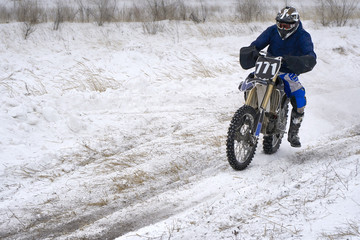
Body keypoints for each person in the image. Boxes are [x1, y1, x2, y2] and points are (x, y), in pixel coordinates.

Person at [240, 6, 317, 148]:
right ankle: (249, 112)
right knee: (249, 83)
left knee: (300, 96)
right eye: (280, 24)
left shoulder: (303, 36)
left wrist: (297, 60)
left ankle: (294, 132)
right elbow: (256, 44)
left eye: (286, 25)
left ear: (294, 25)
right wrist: (253, 51)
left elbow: (311, 55)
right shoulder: (272, 30)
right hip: (268, 66)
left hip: (288, 71)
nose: (283, 27)